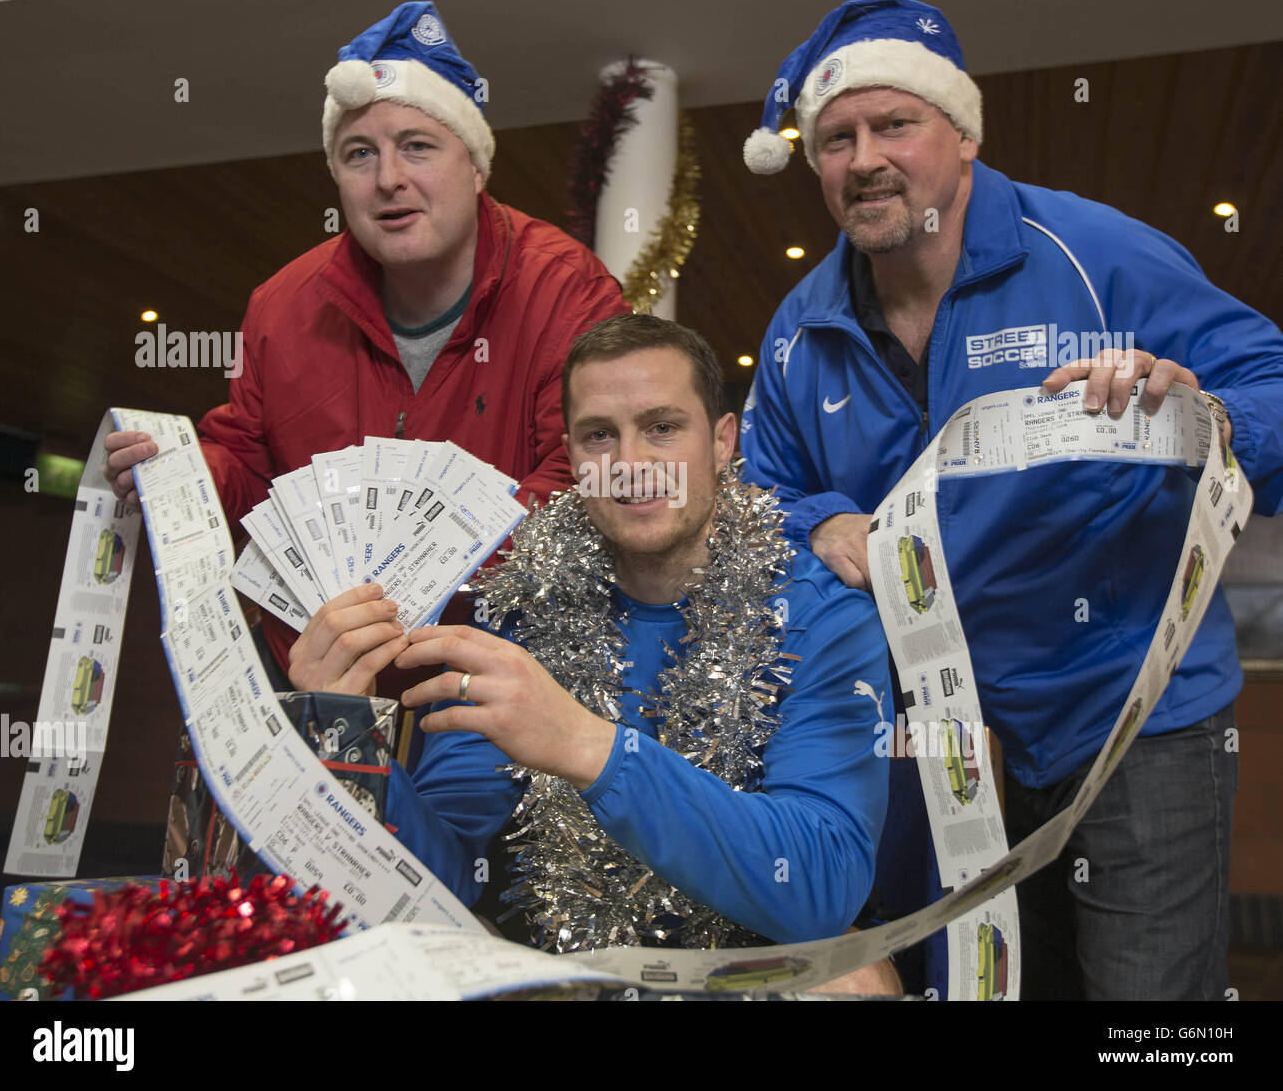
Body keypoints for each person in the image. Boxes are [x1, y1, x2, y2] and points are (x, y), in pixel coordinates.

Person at [738, 0, 1283, 1000]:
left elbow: (1272, 383)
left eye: (894, 124)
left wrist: (1201, 416)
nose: (864, 158)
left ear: (964, 135)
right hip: (950, 749)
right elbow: (756, 493)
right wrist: (818, 520)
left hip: (1133, 722)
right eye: (835, 138)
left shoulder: (1094, 252)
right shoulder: (797, 327)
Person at [287, 314, 897, 984]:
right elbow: (444, 873)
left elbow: (822, 883)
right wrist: (340, 733)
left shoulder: (821, 608)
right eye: (600, 436)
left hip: (747, 969)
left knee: (853, 980)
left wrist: (586, 746)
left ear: (724, 442)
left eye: (662, 427)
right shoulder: (518, 610)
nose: (631, 465)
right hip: (563, 968)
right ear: (574, 459)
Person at [101, 1, 628, 686]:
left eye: (417, 145)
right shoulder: (280, 307)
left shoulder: (568, 289)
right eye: (359, 154)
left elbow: (581, 474)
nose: (388, 179)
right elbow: (244, 465)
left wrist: (413, 584)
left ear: (474, 168)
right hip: (325, 678)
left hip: (504, 676)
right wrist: (182, 476)